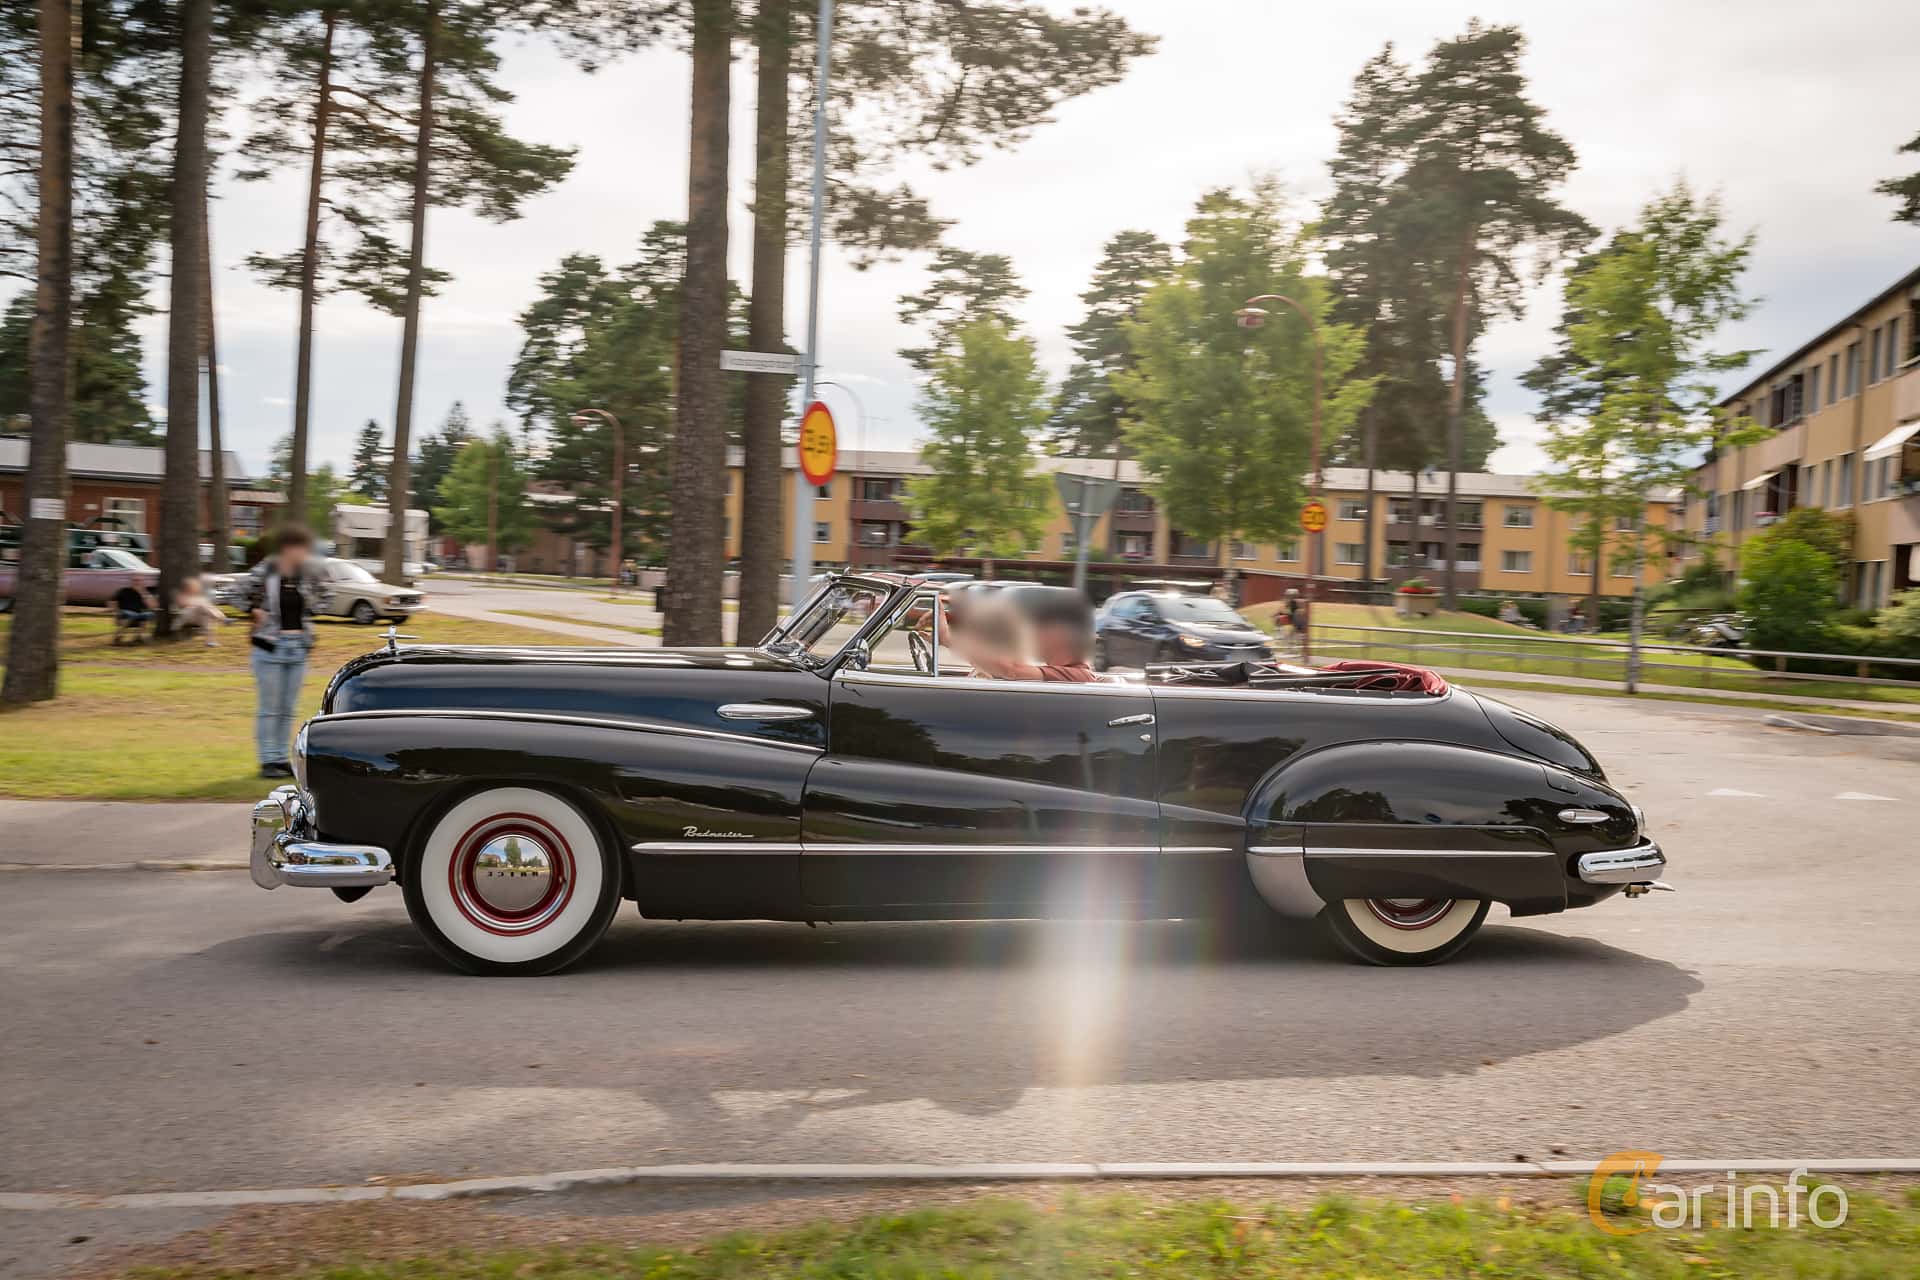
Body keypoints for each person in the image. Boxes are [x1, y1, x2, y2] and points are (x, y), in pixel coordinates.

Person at [242, 527, 326, 779]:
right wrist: (253, 609)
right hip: (270, 648)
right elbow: (236, 592)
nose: (306, 553)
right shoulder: (266, 570)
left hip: (298, 647)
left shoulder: (305, 574)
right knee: (270, 707)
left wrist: (310, 605)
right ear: (289, 548)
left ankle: (280, 758)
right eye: (303, 548)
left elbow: (326, 598)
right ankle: (267, 760)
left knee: (288, 707)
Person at [173, 574, 227, 646]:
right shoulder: (181, 595)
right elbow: (182, 605)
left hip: (198, 616)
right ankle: (223, 618)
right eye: (192, 586)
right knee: (202, 605)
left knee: (207, 617)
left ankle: (210, 642)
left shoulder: (197, 596)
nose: (194, 587)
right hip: (187, 615)